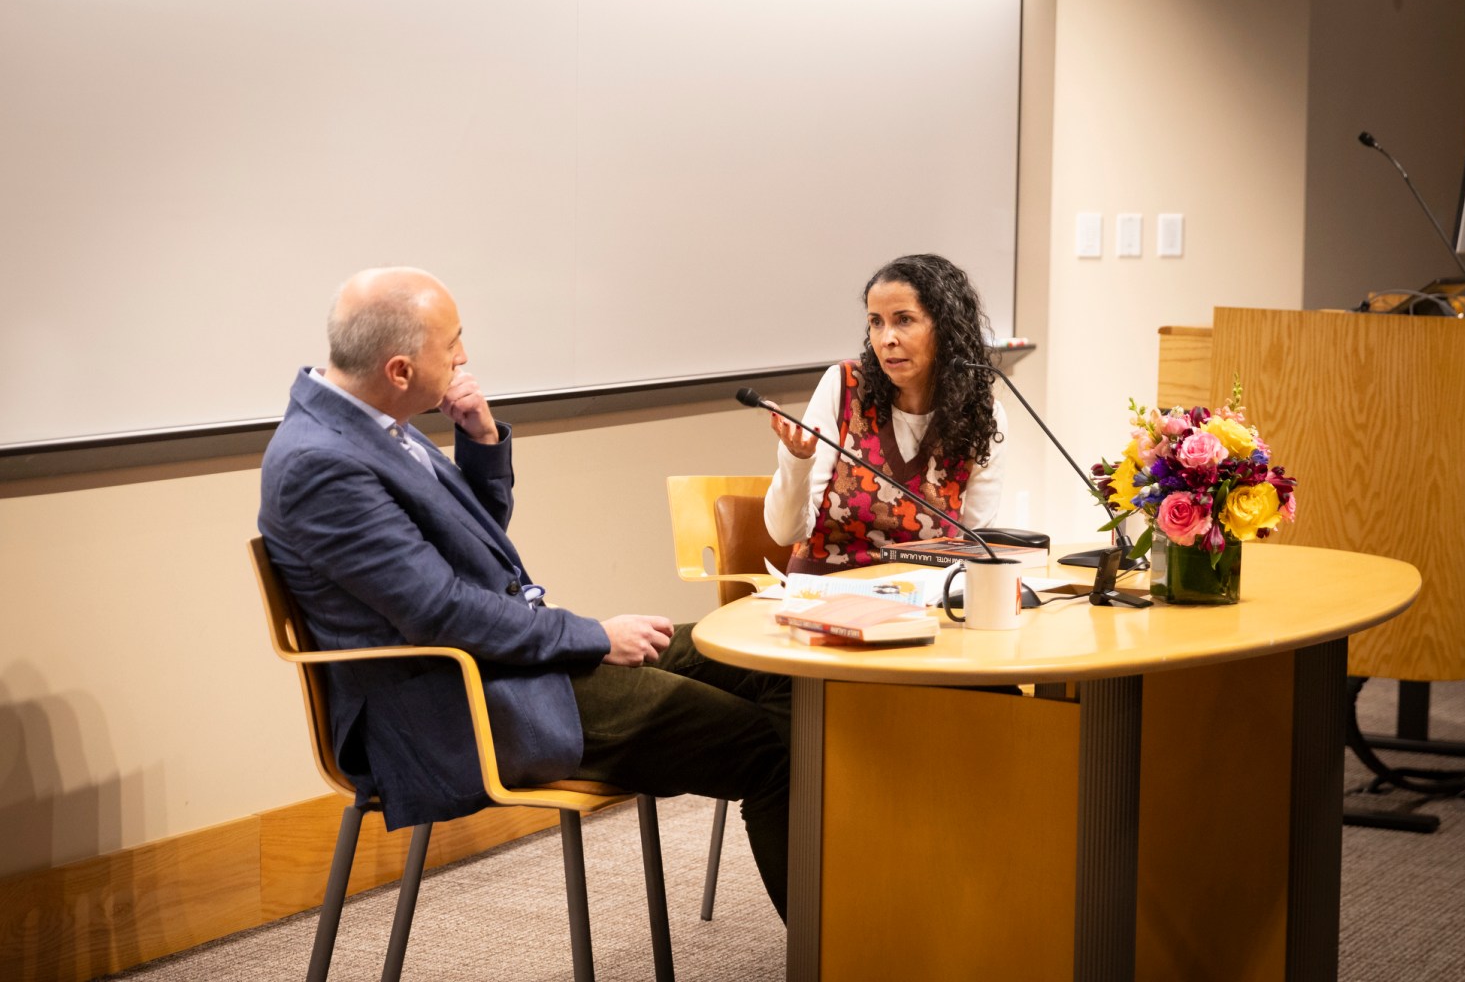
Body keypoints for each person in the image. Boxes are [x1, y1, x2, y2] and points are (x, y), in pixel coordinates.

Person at [258, 267, 790, 918]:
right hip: (463, 702)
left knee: (770, 667)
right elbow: (438, 610)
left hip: (510, 662)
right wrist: (594, 636)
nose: (463, 357)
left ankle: (863, 892)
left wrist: (480, 441)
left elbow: (467, 548)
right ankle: (838, 955)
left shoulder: (370, 423)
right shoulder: (323, 463)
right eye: (452, 344)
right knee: (771, 755)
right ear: (399, 370)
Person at [762, 253, 1007, 573]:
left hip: (923, 605)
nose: (887, 338)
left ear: (946, 328)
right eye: (876, 322)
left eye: (903, 320)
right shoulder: (846, 387)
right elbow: (784, 534)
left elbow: (977, 546)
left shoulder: (980, 415)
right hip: (825, 595)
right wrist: (797, 462)